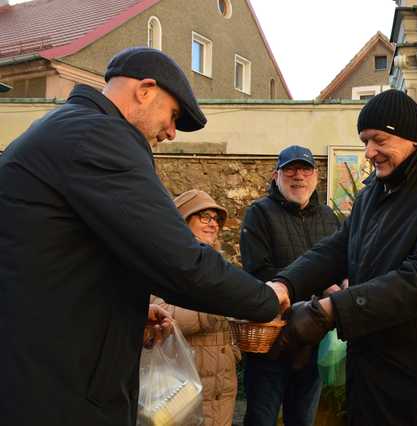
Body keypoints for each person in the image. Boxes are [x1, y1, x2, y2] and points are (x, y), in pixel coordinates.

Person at [0, 47, 289, 426]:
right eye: (173, 116)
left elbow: (63, 259)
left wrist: (124, 311)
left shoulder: (71, 128)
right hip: (56, 389)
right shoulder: (99, 137)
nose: (170, 132)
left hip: (43, 371)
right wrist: (267, 299)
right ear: (146, 90)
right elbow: (179, 262)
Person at [269, 90, 417, 425]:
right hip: (373, 386)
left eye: (379, 140)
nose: (369, 153)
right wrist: (284, 284)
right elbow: (335, 249)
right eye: (364, 141)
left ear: (411, 137)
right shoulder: (372, 194)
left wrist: (328, 312)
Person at [240, 145, 340, 426]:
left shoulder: (329, 217)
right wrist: (321, 286)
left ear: (316, 176)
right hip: (272, 339)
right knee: (262, 418)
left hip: (313, 338)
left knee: (303, 420)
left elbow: (341, 263)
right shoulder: (258, 213)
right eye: (291, 169)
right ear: (276, 175)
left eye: (306, 169)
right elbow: (258, 273)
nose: (299, 176)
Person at [151, 189, 241, 426]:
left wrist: (234, 348)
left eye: (215, 219)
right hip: (186, 374)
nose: (212, 224)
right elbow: (158, 312)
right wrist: (211, 309)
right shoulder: (164, 262)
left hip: (223, 378)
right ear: (183, 220)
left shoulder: (220, 263)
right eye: (204, 217)